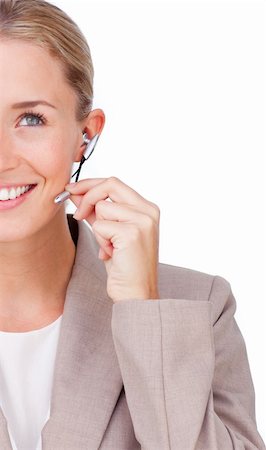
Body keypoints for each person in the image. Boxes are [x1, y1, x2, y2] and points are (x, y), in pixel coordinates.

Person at [0, 0, 264, 449]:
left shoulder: (199, 305)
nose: (3, 157)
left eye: (31, 119)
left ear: (86, 135)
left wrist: (143, 310)